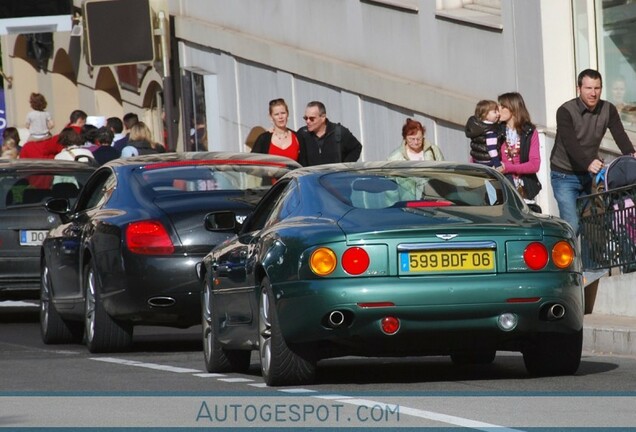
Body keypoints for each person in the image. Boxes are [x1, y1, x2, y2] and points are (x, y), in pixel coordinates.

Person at [550, 68, 636, 235]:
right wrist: (587, 162)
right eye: (588, 88)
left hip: (590, 176)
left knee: (594, 226)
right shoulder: (565, 111)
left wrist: (631, 153)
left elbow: (619, 134)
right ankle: (570, 261)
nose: (593, 93)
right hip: (564, 175)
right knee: (572, 226)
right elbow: (570, 143)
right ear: (579, 89)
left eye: (597, 88)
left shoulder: (608, 109)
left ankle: (590, 262)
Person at [497, 92, 542, 207]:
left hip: (525, 188)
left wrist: (508, 168)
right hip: (501, 187)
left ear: (513, 108)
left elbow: (534, 165)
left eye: (502, 106)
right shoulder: (496, 131)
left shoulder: (530, 132)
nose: (498, 110)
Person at [297, 101, 362, 166]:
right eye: (305, 118)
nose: (307, 121)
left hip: (335, 175)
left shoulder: (339, 132)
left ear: (323, 117)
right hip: (312, 175)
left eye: (312, 118)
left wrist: (344, 167)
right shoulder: (302, 134)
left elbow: (356, 148)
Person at [464, 100, 502, 167]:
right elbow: (492, 149)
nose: (498, 114)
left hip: (477, 159)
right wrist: (497, 163)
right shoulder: (491, 130)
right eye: (495, 112)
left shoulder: (476, 126)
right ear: (485, 114)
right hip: (489, 161)